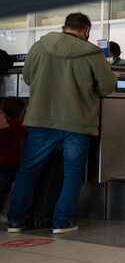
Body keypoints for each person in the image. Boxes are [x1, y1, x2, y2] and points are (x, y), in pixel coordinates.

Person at [7, 12, 115, 234]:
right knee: (72, 174)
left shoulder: (39, 47)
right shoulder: (92, 54)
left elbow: (27, 77)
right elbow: (107, 87)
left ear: (65, 27)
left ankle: (15, 221)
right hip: (76, 123)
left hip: (40, 119)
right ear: (86, 30)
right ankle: (61, 222)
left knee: (28, 171)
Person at [0, 99, 26, 212]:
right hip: (11, 165)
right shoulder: (17, 126)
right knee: (4, 190)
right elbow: (25, 134)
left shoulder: (7, 125)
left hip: (4, 164)